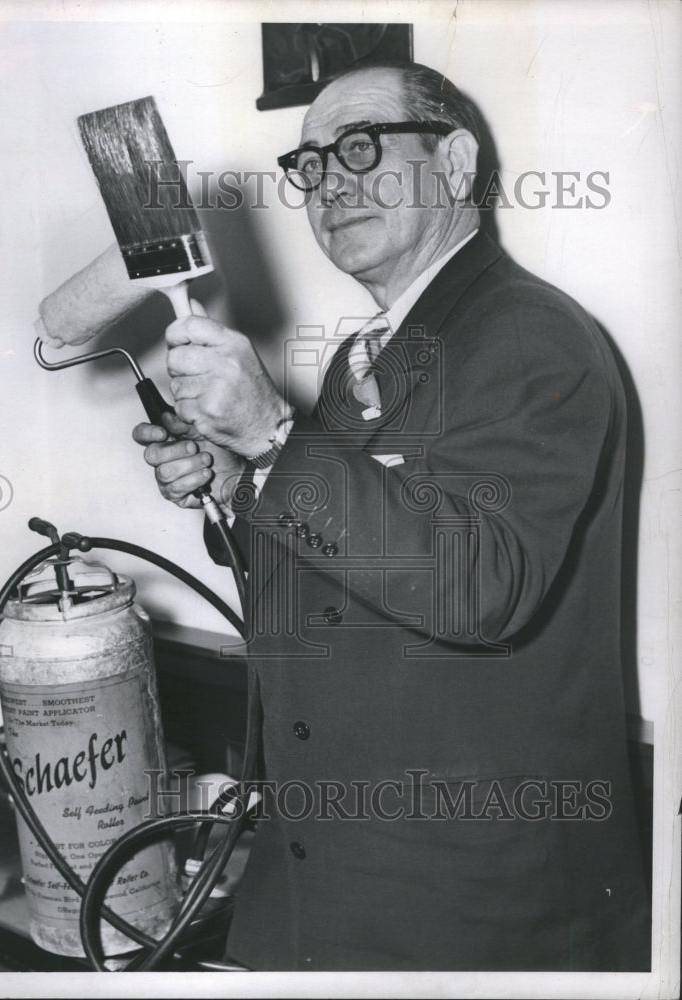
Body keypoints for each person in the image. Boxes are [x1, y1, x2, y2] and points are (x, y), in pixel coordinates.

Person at [133, 62, 651, 971]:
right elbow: (340, 579)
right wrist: (237, 476)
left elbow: (477, 590)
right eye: (310, 164)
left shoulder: (531, 336)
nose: (330, 180)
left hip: (468, 903)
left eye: (361, 147)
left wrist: (270, 437)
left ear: (454, 163)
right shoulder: (373, 353)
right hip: (328, 877)